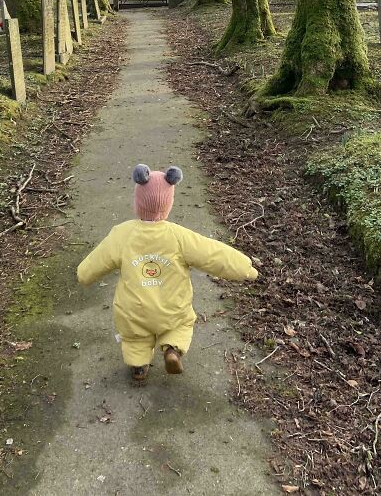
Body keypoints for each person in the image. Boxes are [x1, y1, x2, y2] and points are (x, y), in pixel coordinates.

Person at [77, 163, 258, 385]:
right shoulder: (179, 236)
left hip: (134, 310)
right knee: (180, 325)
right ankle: (172, 349)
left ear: (138, 201)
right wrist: (245, 267)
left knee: (135, 338)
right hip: (172, 308)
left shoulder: (122, 234)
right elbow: (212, 254)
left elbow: (96, 262)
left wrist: (83, 274)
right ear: (168, 203)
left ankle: (138, 367)